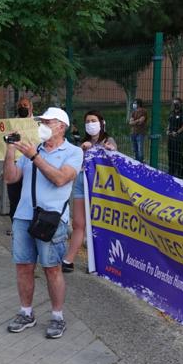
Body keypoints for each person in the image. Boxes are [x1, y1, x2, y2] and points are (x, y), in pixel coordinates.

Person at [3, 107, 83, 339]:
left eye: (47, 122)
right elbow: (11, 177)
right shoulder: (33, 147)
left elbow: (60, 179)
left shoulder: (73, 152)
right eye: (42, 122)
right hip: (24, 216)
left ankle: (57, 316)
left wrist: (34, 157)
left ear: (61, 126)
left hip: (51, 218)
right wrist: (10, 150)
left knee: (52, 269)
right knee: (24, 266)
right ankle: (26, 312)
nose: (43, 126)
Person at [62, 110, 117, 273]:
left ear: (101, 123)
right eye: (87, 121)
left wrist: (110, 150)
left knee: (97, 224)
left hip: (98, 185)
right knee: (78, 223)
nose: (90, 124)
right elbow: (76, 160)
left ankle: (97, 263)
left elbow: (114, 159)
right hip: (81, 182)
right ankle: (69, 259)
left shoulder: (108, 140)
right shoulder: (83, 142)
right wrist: (82, 149)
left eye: (93, 121)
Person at [6, 97, 34, 229]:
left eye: (25, 105)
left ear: (31, 107)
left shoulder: (38, 124)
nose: (23, 107)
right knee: (14, 197)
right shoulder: (10, 124)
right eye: (20, 105)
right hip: (15, 164)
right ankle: (15, 226)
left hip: (33, 164)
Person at [166, 97, 183, 178]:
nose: (175, 105)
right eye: (174, 103)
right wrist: (168, 130)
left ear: (180, 104)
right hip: (171, 136)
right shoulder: (171, 113)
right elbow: (169, 122)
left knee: (178, 154)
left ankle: (180, 172)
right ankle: (171, 170)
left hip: (179, 137)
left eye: (177, 103)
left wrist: (178, 132)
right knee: (170, 153)